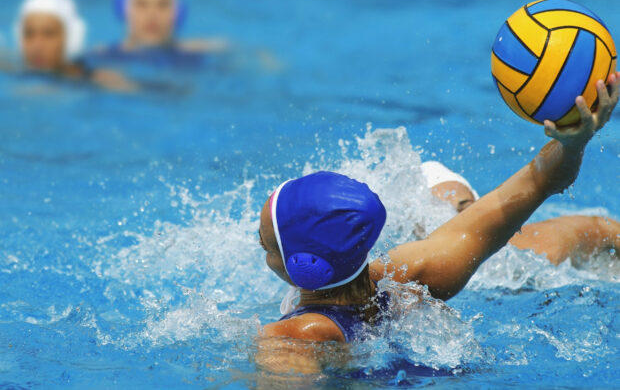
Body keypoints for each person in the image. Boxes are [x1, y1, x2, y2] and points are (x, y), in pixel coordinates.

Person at [255, 73, 620, 374]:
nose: (260, 245)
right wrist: (573, 143)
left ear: (307, 266)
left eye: (267, 243)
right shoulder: (411, 278)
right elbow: (536, 183)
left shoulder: (293, 338)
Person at [421, 161, 620, 265]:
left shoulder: (533, 250)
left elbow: (601, 226)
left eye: (462, 209)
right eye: (436, 216)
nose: (450, 222)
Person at [12, 0, 136, 92]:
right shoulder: (13, 70)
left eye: (48, 34)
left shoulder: (96, 79)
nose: (37, 46)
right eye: (29, 34)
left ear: (70, 39)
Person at [100, 0, 228, 58]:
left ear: (177, 12)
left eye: (162, 4)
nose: (152, 15)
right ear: (126, 10)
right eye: (142, 4)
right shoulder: (103, 58)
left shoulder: (197, 53)